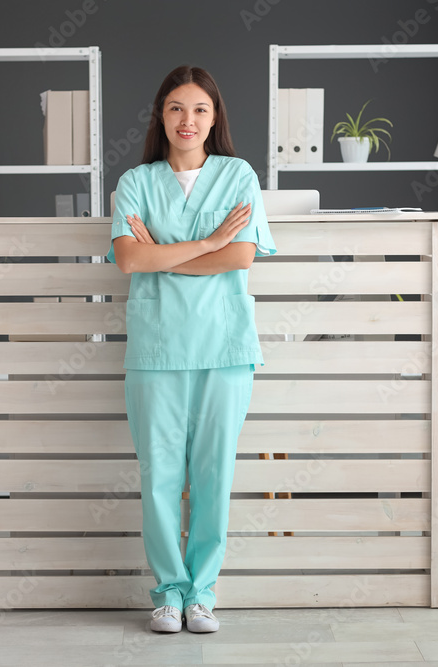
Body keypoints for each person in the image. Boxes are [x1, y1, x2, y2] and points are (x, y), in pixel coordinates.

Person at [106, 65, 276, 633]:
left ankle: (202, 593)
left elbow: (242, 258)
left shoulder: (239, 176)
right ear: (161, 115)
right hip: (155, 351)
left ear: (215, 117)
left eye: (200, 109)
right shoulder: (135, 182)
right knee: (158, 477)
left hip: (224, 348)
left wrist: (168, 256)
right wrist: (206, 243)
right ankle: (167, 594)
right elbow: (130, 259)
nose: (188, 119)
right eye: (177, 107)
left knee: (212, 475)